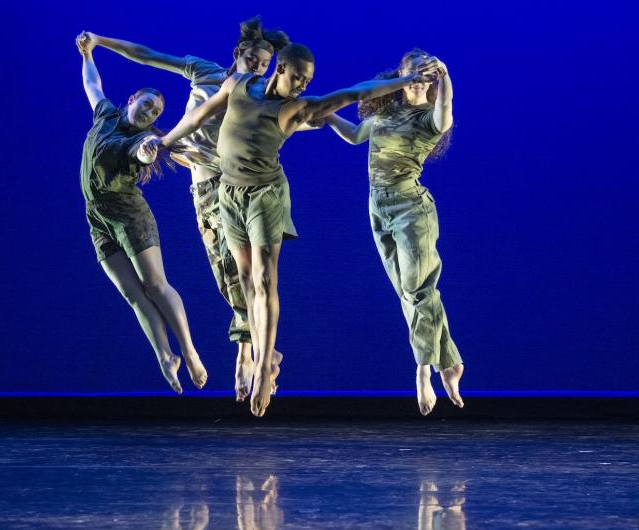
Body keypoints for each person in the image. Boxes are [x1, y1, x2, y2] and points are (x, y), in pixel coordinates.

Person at [146, 43, 436, 416]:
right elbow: (200, 114)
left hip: (265, 198)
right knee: (245, 281)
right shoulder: (239, 85)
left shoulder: (297, 107)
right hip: (229, 194)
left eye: (308, 80)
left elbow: (353, 94)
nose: (302, 84)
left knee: (266, 281)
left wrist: (410, 79)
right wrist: (166, 142)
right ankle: (256, 354)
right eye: (298, 76)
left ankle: (265, 369)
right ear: (279, 68)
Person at [78, 18, 290, 401]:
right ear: (237, 55)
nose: (258, 69)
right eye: (253, 61)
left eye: (264, 65)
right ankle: (252, 346)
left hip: (236, 186)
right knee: (223, 274)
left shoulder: (261, 94)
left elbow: (295, 118)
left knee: (243, 270)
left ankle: (251, 352)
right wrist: (100, 42)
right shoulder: (204, 72)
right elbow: (146, 56)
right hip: (202, 187)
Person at [324, 49, 463, 415]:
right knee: (410, 291)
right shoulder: (386, 112)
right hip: (376, 207)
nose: (419, 76)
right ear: (400, 74)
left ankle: (423, 370)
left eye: (425, 72)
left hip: (410, 210)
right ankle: (449, 361)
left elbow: (446, 113)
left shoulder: (427, 119)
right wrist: (327, 116)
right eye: (411, 70)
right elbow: (356, 135)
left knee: (418, 289)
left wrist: (445, 75)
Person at [76, 33, 207, 393]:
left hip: (130, 215)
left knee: (154, 285)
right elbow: (93, 85)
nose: (149, 114)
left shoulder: (141, 139)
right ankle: (166, 356)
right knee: (132, 294)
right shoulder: (105, 115)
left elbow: (145, 152)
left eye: (155, 113)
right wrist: (89, 54)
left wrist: (153, 147)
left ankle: (190, 351)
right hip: (98, 219)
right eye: (146, 106)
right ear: (131, 100)